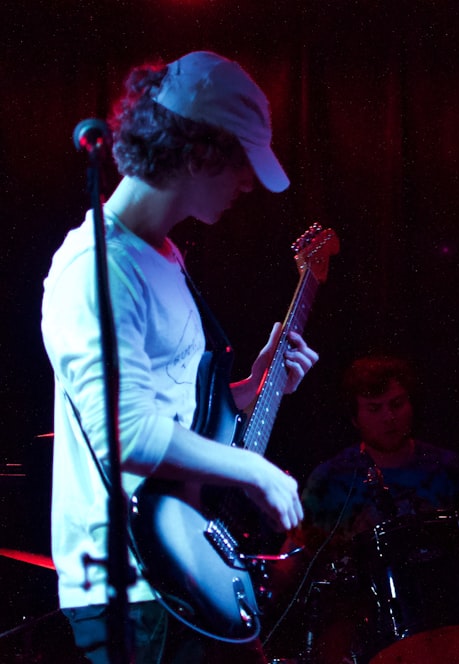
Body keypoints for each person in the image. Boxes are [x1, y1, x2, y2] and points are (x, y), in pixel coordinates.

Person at [41, 51, 319, 663]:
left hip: (177, 570)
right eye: (241, 164)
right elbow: (129, 433)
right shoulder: (99, 266)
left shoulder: (163, 254)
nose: (249, 184)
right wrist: (257, 470)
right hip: (130, 590)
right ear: (198, 153)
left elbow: (174, 405)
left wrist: (252, 386)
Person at [272, 354, 459, 663]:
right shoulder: (332, 479)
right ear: (355, 418)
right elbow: (295, 556)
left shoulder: (447, 470)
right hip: (360, 622)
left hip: (446, 618)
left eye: (397, 404)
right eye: (374, 409)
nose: (389, 417)